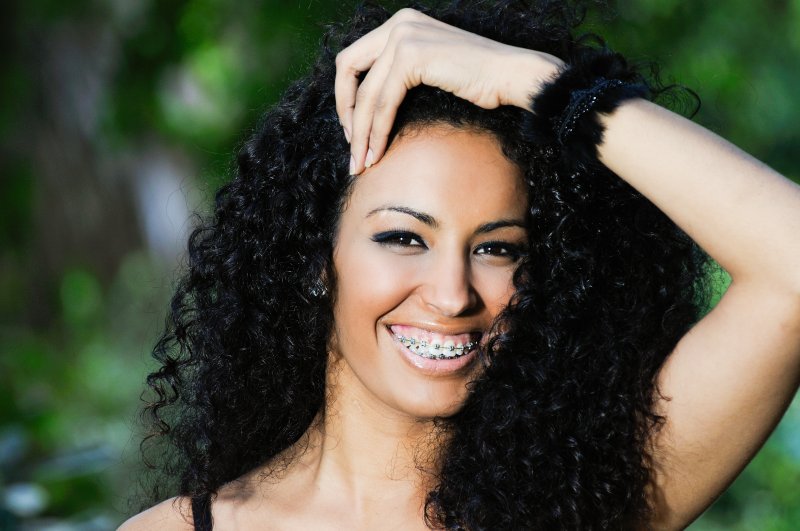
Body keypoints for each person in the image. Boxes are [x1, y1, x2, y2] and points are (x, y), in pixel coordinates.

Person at [120, 1, 800, 529]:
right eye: (404, 239)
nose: (451, 295)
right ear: (315, 259)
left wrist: (535, 83)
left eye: (497, 248)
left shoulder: (587, 506)